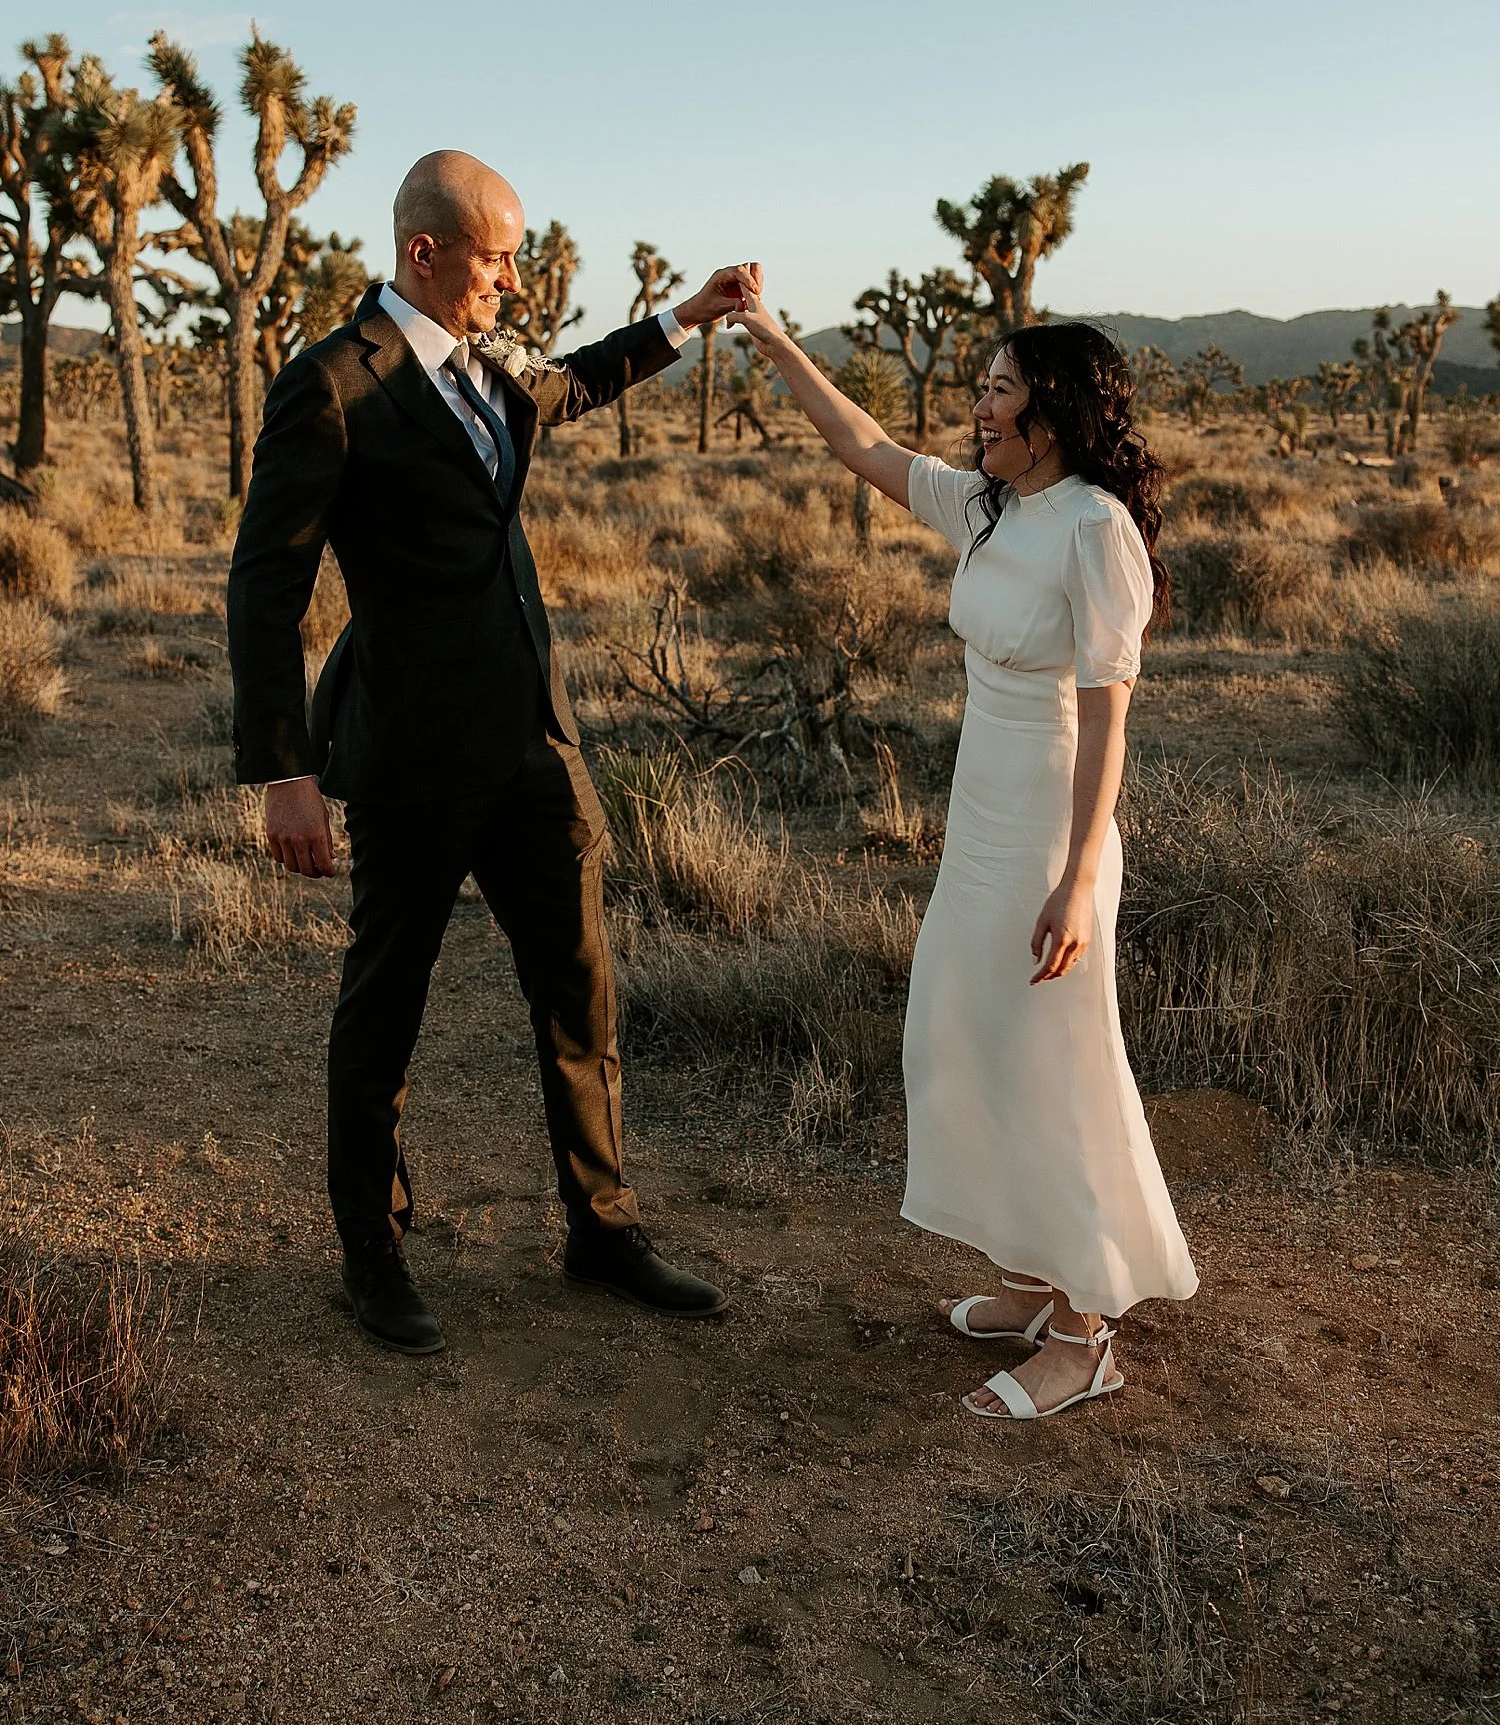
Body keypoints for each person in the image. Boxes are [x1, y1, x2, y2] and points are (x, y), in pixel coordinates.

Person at [227, 131, 758, 1350]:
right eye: (496, 260)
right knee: (386, 1010)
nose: (513, 282)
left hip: (534, 740)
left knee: (580, 993)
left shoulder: (488, 358)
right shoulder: (334, 384)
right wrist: (285, 771)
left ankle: (605, 1231)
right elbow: (267, 584)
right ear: (424, 250)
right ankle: (375, 1253)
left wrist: (684, 317)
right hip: (410, 752)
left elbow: (565, 387)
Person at [723, 285, 1197, 1416]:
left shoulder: (1093, 527)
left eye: (997, 390)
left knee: (1054, 1053)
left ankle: (1087, 1338)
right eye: (981, 387)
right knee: (968, 1031)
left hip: (1049, 834)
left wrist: (1081, 878)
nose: (977, 406)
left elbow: (1109, 714)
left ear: (1052, 412)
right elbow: (863, 443)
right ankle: (1037, 1280)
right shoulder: (990, 508)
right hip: (980, 823)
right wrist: (771, 333)